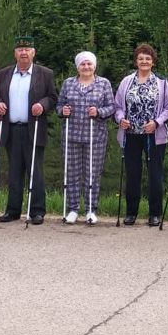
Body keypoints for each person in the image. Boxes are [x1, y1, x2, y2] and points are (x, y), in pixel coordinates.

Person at [0, 36, 57, 225]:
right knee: (13, 173)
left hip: (33, 128)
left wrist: (42, 105)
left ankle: (37, 211)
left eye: (27, 49)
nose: (23, 53)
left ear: (33, 53)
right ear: (15, 53)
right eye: (20, 49)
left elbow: (53, 97)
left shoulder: (45, 73)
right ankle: (12, 210)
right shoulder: (4, 74)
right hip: (11, 129)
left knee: (35, 171)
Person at [114, 43, 168, 227]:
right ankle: (131, 212)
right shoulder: (126, 81)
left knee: (155, 174)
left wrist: (156, 123)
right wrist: (120, 119)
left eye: (148, 58)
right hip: (131, 134)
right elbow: (117, 107)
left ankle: (155, 214)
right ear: (136, 61)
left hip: (153, 135)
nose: (144, 61)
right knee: (133, 174)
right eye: (141, 58)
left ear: (153, 62)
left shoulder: (162, 83)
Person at [57, 51, 116, 225]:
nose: (86, 67)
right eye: (83, 64)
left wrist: (99, 112)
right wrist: (63, 111)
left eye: (89, 63)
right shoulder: (68, 83)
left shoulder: (103, 83)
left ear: (94, 66)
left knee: (92, 174)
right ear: (77, 66)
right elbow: (59, 105)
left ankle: (91, 209)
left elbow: (111, 107)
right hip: (71, 135)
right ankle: (73, 209)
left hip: (95, 136)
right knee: (72, 174)